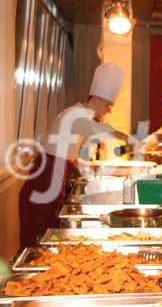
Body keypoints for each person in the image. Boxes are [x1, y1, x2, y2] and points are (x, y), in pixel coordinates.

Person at [19, 62, 136, 249]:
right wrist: (131, 140)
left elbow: (63, 149)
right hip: (45, 180)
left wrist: (80, 163)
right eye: (108, 105)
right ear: (97, 99)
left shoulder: (79, 115)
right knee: (39, 235)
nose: (108, 110)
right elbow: (102, 130)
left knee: (46, 232)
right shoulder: (77, 115)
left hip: (51, 176)